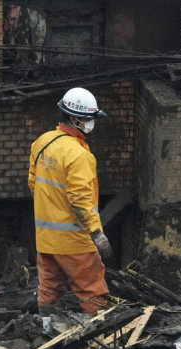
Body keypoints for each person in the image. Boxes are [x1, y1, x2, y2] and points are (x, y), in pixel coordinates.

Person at [29, 87, 112, 317]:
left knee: (49, 287)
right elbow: (80, 199)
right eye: (89, 119)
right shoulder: (79, 155)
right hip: (75, 241)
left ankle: (46, 329)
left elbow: (33, 183)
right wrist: (97, 233)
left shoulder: (43, 142)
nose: (92, 124)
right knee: (91, 290)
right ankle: (98, 338)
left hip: (45, 238)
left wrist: (51, 210)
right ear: (75, 120)